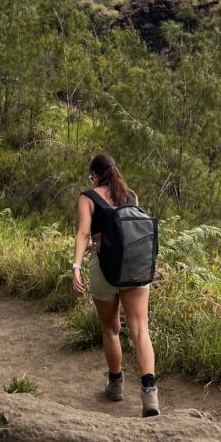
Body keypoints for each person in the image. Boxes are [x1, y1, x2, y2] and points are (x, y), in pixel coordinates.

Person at [72, 152, 159, 417]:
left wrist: (76, 266)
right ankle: (149, 395)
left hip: (105, 270)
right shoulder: (131, 196)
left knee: (111, 329)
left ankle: (116, 384)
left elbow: (84, 232)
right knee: (140, 329)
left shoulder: (88, 197)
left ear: (95, 175)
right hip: (135, 268)